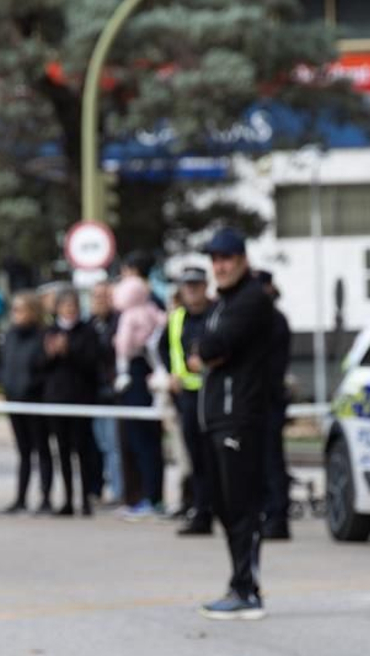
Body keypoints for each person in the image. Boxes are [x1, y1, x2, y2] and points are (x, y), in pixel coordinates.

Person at [194, 230, 276, 621]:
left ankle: (248, 588)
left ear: (242, 258)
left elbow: (211, 348)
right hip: (217, 415)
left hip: (240, 416)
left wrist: (209, 351)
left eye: (226, 258)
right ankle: (237, 583)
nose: (219, 266)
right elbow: (202, 346)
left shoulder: (250, 301)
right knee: (225, 505)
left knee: (242, 505)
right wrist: (207, 350)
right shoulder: (222, 303)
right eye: (215, 259)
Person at [42, 285, 101, 516]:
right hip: (56, 399)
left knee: (83, 450)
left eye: (73, 306)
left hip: (80, 398)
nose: (69, 310)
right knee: (63, 451)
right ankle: (67, 498)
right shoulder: (50, 331)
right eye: (65, 306)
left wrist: (69, 352)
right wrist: (51, 354)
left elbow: (92, 363)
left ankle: (85, 498)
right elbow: (40, 365)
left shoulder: (87, 331)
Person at [163, 266, 213, 535]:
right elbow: (165, 348)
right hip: (188, 397)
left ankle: (221, 510)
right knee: (196, 458)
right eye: (187, 285)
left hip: (214, 395)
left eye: (196, 284)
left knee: (217, 456)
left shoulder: (217, 313)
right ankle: (201, 511)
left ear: (205, 286)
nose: (192, 290)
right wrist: (172, 373)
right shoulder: (177, 318)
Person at [112, 275, 165, 517]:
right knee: (151, 443)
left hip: (135, 378)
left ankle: (148, 496)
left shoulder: (129, 316)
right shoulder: (154, 311)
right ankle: (154, 495)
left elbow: (123, 346)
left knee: (141, 442)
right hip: (152, 376)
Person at [0, 291, 52, 514]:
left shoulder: (42, 336)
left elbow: (42, 367)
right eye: (14, 309)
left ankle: (46, 498)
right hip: (14, 399)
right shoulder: (10, 335)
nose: (16, 314)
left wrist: (33, 385)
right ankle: (21, 497)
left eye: (20, 309)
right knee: (23, 451)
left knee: (42, 449)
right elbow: (3, 364)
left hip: (35, 400)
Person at [254, 270, 293, 541]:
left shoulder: (273, 321)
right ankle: (268, 513)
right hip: (259, 400)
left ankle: (277, 517)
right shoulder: (262, 319)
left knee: (271, 460)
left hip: (268, 400)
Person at [88, 280, 124, 504]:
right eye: (96, 296)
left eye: (104, 296)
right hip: (91, 395)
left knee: (113, 446)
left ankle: (118, 491)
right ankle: (96, 488)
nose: (100, 301)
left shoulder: (119, 322)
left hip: (111, 394)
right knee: (97, 446)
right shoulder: (89, 324)